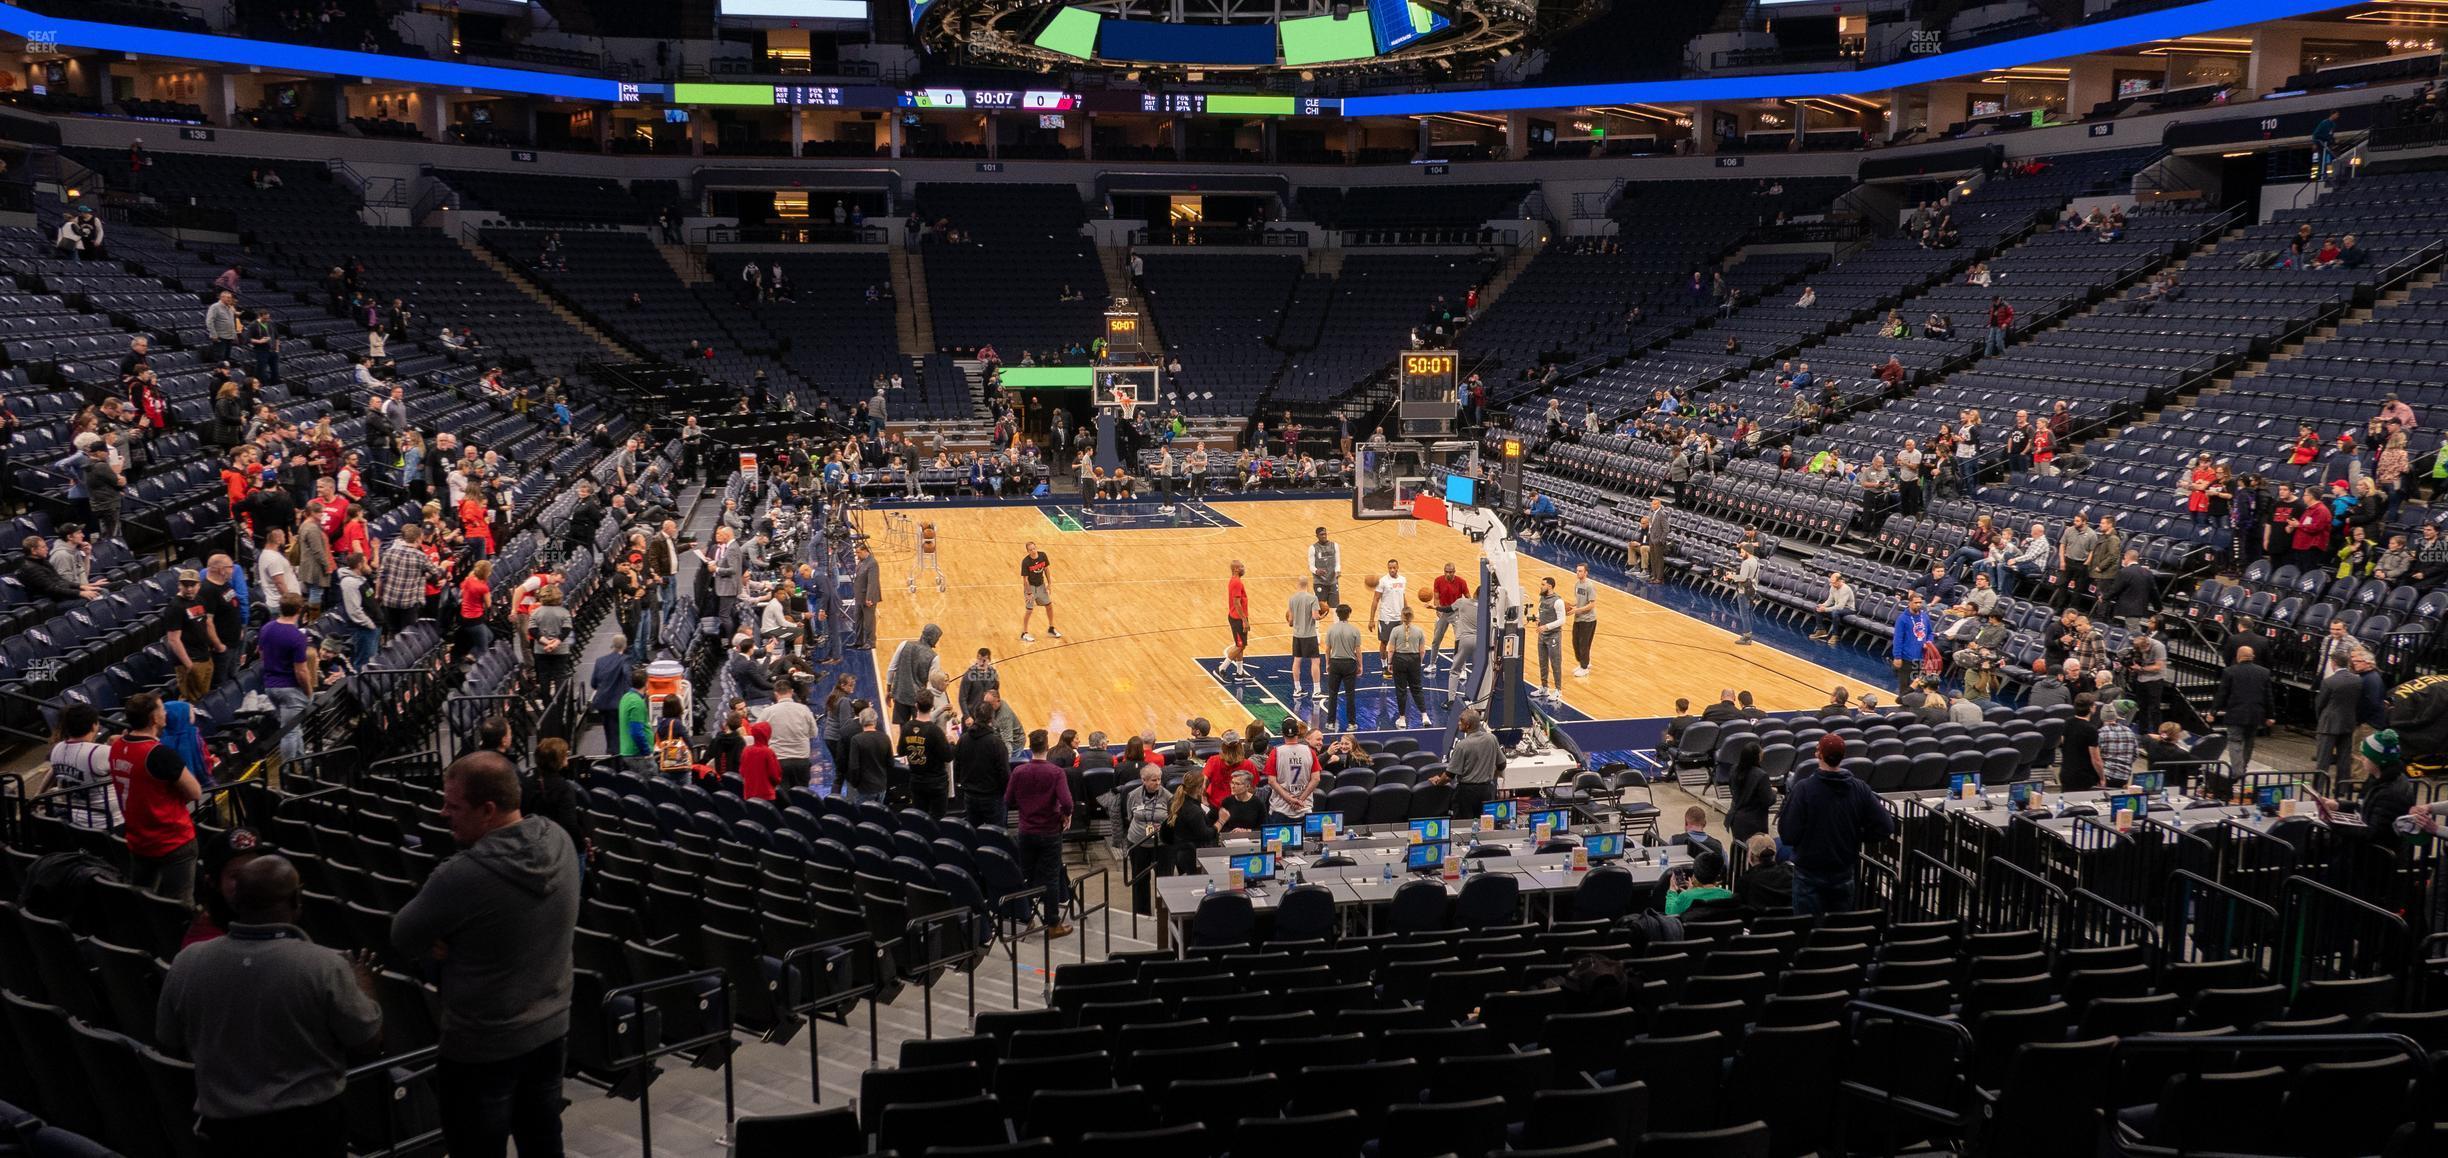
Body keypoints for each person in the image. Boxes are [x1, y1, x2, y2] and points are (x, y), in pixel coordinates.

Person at [390, 752, 580, 1158]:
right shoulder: (560, 840)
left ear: (488, 810)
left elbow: (402, 936)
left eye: (454, 806)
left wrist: (447, 941)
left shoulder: (460, 876)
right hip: (550, 1030)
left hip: (481, 1047)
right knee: (544, 1140)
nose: (444, 814)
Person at [158, 854, 382, 1158]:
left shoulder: (187, 961)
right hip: (309, 1134)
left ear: (236, 900)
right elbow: (367, 1042)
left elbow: (168, 1040)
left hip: (222, 1134)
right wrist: (364, 985)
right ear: (296, 900)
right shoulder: (324, 966)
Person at [1779, 735, 1894, 915]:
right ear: (1843, 756)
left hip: (1809, 873)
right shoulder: (1860, 788)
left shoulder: (1803, 789)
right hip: (1844, 871)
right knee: (1837, 931)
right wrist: (1858, 835)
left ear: (1819, 754)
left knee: (1807, 932)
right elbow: (1885, 827)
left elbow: (1788, 835)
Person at [111, 692, 204, 902]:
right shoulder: (159, 754)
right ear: (154, 718)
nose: (166, 712)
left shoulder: (117, 746)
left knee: (142, 900)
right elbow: (195, 792)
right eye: (162, 708)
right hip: (172, 839)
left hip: (138, 839)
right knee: (178, 905)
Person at [1005, 730, 1074, 935]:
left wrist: (1026, 806)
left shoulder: (1018, 771)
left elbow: (1008, 800)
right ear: (1046, 746)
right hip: (1050, 832)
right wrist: (1065, 815)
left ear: (1030, 746)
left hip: (1026, 831)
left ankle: (1024, 918)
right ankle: (1052, 924)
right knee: (1051, 878)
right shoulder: (1055, 772)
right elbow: (1067, 802)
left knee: (1025, 875)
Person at [521, 739, 589, 858]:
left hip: (533, 844)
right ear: (559, 759)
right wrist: (582, 846)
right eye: (565, 755)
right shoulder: (564, 788)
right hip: (560, 848)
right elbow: (569, 824)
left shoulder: (527, 782)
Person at [1119, 764, 1168, 913]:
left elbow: (1171, 819)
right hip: (1138, 843)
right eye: (1153, 780)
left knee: (1164, 880)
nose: (1158, 783)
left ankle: (1163, 911)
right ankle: (1142, 912)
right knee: (1140, 880)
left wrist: (1162, 826)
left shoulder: (1167, 796)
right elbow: (1129, 815)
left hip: (1161, 845)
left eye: (1159, 779)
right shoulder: (1133, 795)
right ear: (1144, 780)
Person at [898, 692, 953, 817]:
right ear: (932, 706)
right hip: (936, 784)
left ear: (916, 706)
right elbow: (948, 757)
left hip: (916, 782)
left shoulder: (907, 728)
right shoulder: (935, 731)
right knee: (937, 820)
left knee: (920, 820)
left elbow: (901, 751)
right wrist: (950, 743)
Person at [2314, 658, 2364, 789]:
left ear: (2333, 663)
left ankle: (2318, 788)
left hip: (2329, 724)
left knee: (2323, 760)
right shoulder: (2357, 680)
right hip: (2348, 723)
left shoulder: (2329, 681)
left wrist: (2321, 718)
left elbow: (2320, 703)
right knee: (2344, 759)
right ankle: (2342, 789)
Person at [1446, 708, 1503, 820]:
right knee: (1486, 824)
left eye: (1460, 721)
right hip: (1487, 791)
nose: (1458, 723)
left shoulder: (1462, 745)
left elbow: (1450, 775)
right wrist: (1492, 775)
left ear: (1467, 726)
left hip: (1467, 793)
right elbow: (1502, 764)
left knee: (1464, 827)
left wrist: (1438, 781)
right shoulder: (1491, 739)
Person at [761, 678, 819, 788]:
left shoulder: (766, 712)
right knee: (802, 796)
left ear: (775, 694)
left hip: (778, 760)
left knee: (782, 797)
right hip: (801, 759)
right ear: (792, 692)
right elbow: (814, 733)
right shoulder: (804, 709)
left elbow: (759, 735)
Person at [1723, 741, 1775, 845]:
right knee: (1754, 853)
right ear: (1756, 756)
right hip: (1754, 822)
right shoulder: (1761, 775)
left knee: (1739, 851)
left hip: (1736, 818)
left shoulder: (1734, 769)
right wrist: (1774, 792)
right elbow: (1768, 800)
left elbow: (1732, 790)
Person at [839, 708, 894, 806]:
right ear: (875, 721)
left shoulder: (856, 740)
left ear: (861, 721)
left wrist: (854, 784)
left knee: (864, 816)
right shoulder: (885, 738)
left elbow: (854, 767)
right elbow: (891, 763)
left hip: (864, 788)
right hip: (881, 786)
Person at [1322, 603, 1364, 730]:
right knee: (1350, 695)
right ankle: (1351, 723)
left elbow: (1327, 650)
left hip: (1335, 663)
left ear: (1337, 615)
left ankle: (1330, 723)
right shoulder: (1354, 630)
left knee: (1332, 694)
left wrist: (1327, 663)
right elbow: (1358, 650)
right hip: (1349, 664)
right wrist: (1360, 665)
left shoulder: (1331, 629)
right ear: (1349, 614)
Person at [588, 641, 632, 756]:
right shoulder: (625, 660)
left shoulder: (600, 660)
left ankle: (610, 751)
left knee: (608, 730)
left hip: (602, 702)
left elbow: (593, 683)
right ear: (624, 646)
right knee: (618, 731)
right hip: (617, 702)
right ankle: (616, 758)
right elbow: (627, 677)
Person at [1665, 850, 1736, 917]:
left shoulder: (1686, 896)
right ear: (1718, 874)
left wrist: (1672, 890)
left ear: (1695, 875)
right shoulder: (1728, 895)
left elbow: (1670, 913)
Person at [1286, 577, 1324, 701]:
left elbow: (1290, 621)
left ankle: (1297, 689)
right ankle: (1316, 690)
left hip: (1297, 635)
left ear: (1298, 584)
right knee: (1315, 662)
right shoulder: (1312, 598)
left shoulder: (1292, 599)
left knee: (1297, 661)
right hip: (1310, 635)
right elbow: (1315, 616)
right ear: (1308, 585)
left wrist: (1294, 623)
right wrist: (1322, 615)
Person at [1735, 835, 1793, 910]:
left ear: (1750, 856)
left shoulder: (1745, 881)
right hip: (1790, 920)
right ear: (1774, 854)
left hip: (1758, 920)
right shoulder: (1790, 872)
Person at [1018, 541, 1060, 642]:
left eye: (1034, 548)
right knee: (1029, 610)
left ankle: (1051, 628)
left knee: (1049, 606)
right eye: (1030, 550)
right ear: (1028, 551)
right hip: (1031, 588)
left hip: (1041, 586)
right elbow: (1025, 579)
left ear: (1036, 547)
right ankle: (1024, 633)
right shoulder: (1026, 562)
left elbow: (1046, 569)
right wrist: (1029, 593)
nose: (1033, 551)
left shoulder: (1042, 555)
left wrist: (1049, 584)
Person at [1534, 576, 1567, 701]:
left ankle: (1558, 690)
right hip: (1542, 635)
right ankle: (1544, 687)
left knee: (1555, 663)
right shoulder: (1542, 598)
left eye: (1543, 584)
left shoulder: (1558, 601)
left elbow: (1562, 620)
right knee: (1542, 662)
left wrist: (1546, 626)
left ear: (1550, 586)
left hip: (1553, 635)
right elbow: (1541, 612)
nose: (1541, 586)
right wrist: (1536, 617)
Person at [1566, 563, 1599, 678]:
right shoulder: (1576, 584)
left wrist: (1577, 610)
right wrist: (1570, 605)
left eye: (1580, 571)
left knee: (1583, 644)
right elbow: (1578, 600)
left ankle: (1584, 668)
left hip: (1589, 620)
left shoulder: (1589, 585)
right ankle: (1584, 663)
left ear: (1586, 573)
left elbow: (1592, 604)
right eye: (1577, 570)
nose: (1578, 573)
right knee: (1575, 642)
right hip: (1578, 618)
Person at [1220, 560, 1251, 681]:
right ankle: (1221, 669)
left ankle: (1239, 672)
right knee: (1240, 645)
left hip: (1237, 616)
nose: (1244, 568)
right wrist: (1244, 620)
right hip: (1238, 618)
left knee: (1241, 645)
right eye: (1242, 567)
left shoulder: (1234, 581)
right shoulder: (1237, 582)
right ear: (1236, 569)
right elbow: (1237, 603)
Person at [1724, 544, 1759, 645]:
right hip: (1752, 590)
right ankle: (1749, 634)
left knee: (1744, 614)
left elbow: (1743, 578)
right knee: (1748, 613)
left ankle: (1747, 637)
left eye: (1742, 552)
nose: (1740, 554)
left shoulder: (1746, 563)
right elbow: (1755, 578)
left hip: (1744, 591)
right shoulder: (1756, 561)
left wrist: (1732, 576)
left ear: (1747, 552)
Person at [1213, 769, 1264, 836]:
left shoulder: (1258, 803)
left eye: (1237, 784)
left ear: (1247, 786)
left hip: (1251, 838)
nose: (1233, 786)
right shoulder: (1227, 802)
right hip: (1230, 838)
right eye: (1232, 782)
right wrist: (1232, 832)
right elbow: (1221, 825)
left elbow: (1263, 828)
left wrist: (1247, 831)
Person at [1811, 572, 1853, 642]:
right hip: (1837, 606)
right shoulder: (1833, 587)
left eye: (1834, 582)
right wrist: (1823, 605)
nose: (1832, 584)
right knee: (1817, 608)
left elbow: (1840, 606)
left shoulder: (1845, 589)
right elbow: (1829, 601)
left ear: (1840, 581)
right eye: (1831, 582)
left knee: (1835, 613)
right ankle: (1821, 630)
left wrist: (1825, 609)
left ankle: (1835, 635)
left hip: (1848, 608)